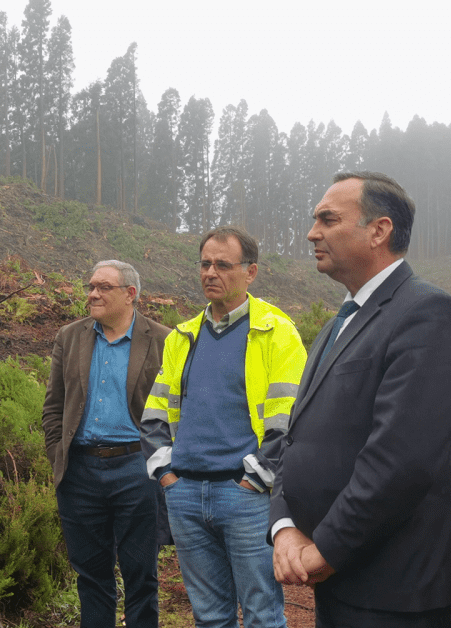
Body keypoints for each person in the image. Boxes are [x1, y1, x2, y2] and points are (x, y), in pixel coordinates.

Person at [270, 172, 451, 628]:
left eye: (328, 219)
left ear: (379, 230)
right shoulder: (337, 324)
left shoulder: (426, 312)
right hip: (340, 577)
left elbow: (401, 460)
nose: (312, 233)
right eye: (314, 220)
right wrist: (285, 526)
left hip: (398, 590)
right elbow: (296, 436)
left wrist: (326, 548)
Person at [141, 226, 305, 628]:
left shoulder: (276, 332)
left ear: (250, 272)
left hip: (245, 497)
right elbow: (155, 414)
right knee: (210, 617)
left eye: (222, 265)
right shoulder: (183, 336)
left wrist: (256, 480)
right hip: (185, 495)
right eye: (205, 264)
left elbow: (290, 420)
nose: (210, 272)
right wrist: (166, 475)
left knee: (263, 615)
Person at [41, 260, 170, 628]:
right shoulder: (70, 336)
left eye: (103, 287)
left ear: (130, 294)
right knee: (91, 577)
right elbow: (53, 406)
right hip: (79, 472)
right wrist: (58, 456)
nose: (93, 294)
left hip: (137, 469)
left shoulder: (162, 339)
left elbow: (180, 408)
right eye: (91, 286)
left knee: (140, 574)